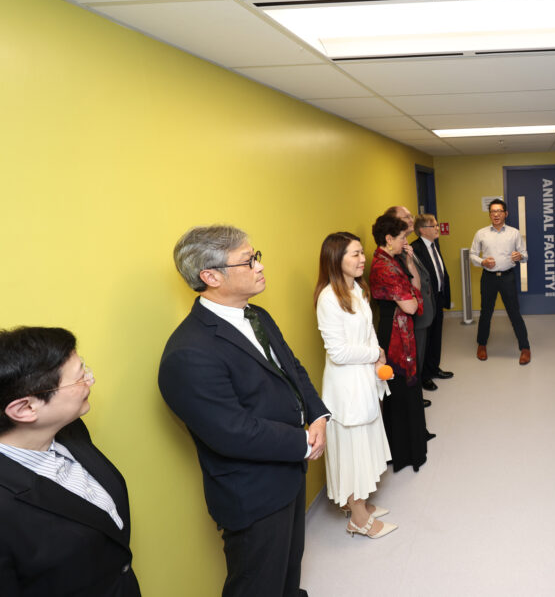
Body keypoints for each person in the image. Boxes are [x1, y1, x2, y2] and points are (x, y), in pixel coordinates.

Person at [159, 225, 330, 597]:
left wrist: (318, 415)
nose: (260, 265)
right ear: (210, 276)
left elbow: (292, 368)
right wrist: (302, 442)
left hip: (287, 471)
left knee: (287, 573)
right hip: (253, 493)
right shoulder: (189, 352)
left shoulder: (258, 316)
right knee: (257, 584)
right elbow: (232, 431)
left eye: (256, 255)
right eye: (249, 260)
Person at [0, 326, 141, 597]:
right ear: (26, 408)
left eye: (84, 368)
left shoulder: (70, 430)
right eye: (79, 379)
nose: (91, 379)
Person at [314, 232, 397, 539]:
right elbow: (338, 352)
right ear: (336, 259)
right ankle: (358, 518)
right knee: (352, 449)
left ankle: (359, 503)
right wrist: (374, 353)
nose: (362, 259)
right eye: (355, 254)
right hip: (346, 384)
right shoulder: (329, 298)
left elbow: (369, 331)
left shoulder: (358, 289)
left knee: (364, 445)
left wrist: (378, 356)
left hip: (364, 376)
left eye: (362, 253)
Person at [369, 214, 428, 473]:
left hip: (401, 329)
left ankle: (413, 446)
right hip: (393, 335)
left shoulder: (394, 260)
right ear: (389, 238)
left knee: (408, 390)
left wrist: (410, 259)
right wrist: (412, 297)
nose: (406, 240)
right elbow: (412, 305)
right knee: (400, 391)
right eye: (403, 236)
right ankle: (403, 452)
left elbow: (414, 284)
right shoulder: (384, 267)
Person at [470, 198, 531, 365]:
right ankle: (481, 344)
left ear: (506, 214)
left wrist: (520, 256)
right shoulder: (481, 233)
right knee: (486, 312)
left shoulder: (514, 233)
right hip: (488, 278)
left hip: (507, 277)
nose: (496, 214)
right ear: (489, 214)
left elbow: (525, 254)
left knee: (514, 312)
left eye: (499, 211)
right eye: (493, 211)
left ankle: (525, 347)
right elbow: (472, 254)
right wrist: (482, 261)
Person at [386, 206, 438, 394]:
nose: (411, 219)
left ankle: (417, 393)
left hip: (422, 309)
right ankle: (414, 395)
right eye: (405, 216)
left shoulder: (406, 246)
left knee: (421, 353)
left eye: (410, 216)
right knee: (414, 358)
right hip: (410, 314)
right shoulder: (394, 253)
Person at [411, 213, 453, 385]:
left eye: (437, 225)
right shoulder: (415, 249)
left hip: (438, 296)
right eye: (433, 226)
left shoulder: (434, 245)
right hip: (427, 300)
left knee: (436, 336)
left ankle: (434, 368)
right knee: (425, 339)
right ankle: (424, 376)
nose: (437, 228)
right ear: (422, 230)